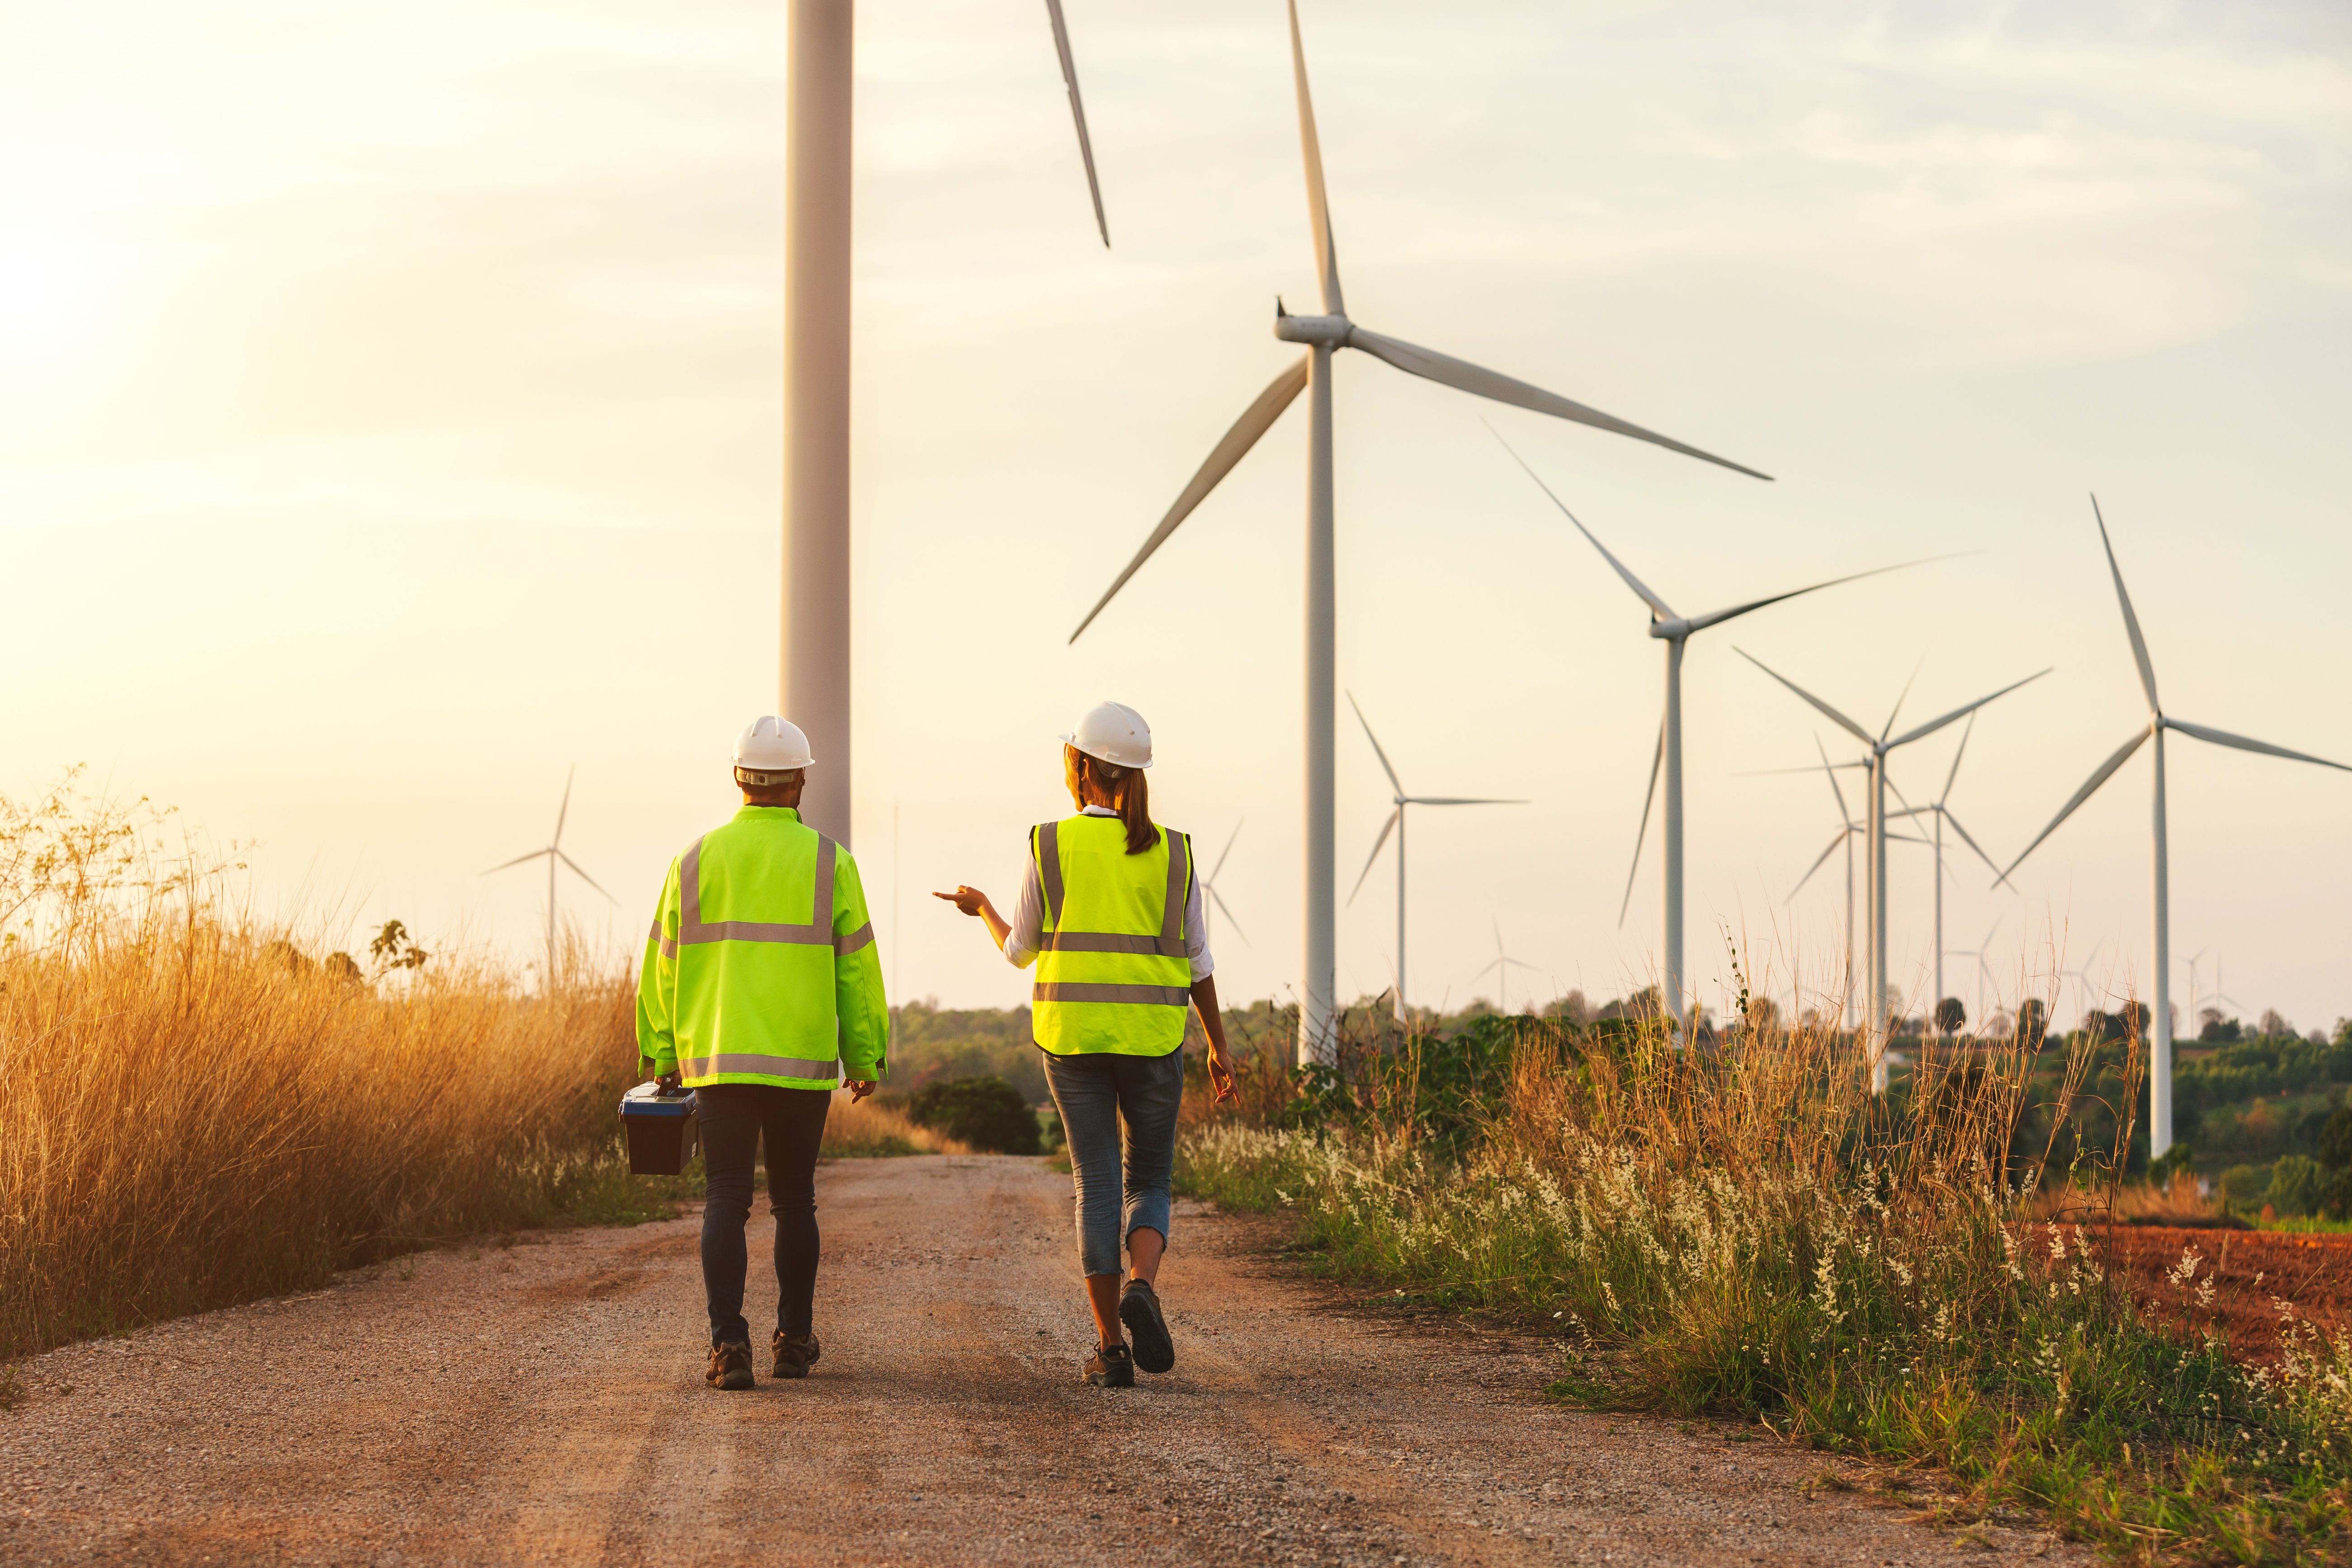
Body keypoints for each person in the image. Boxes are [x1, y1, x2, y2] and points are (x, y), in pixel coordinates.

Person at [935, 701, 1237, 1388]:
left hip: (1071, 1042)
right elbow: (1197, 964)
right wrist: (1219, 1047)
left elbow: (1019, 951)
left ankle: (1109, 1349)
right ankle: (1143, 1285)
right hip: (1154, 1038)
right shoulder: (1177, 850)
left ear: (1077, 767)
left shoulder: (1047, 843)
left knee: (1095, 1185)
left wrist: (980, 908)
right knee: (1150, 1180)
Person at [636, 716, 888, 1391]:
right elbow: (856, 970)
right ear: (800, 780)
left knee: (726, 1199)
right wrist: (864, 1057)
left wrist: (661, 1051)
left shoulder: (692, 861)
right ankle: (793, 1341)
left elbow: (661, 966)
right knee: (794, 1203)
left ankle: (729, 1347)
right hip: (801, 1061)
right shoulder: (831, 862)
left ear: (737, 777)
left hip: (717, 1059)